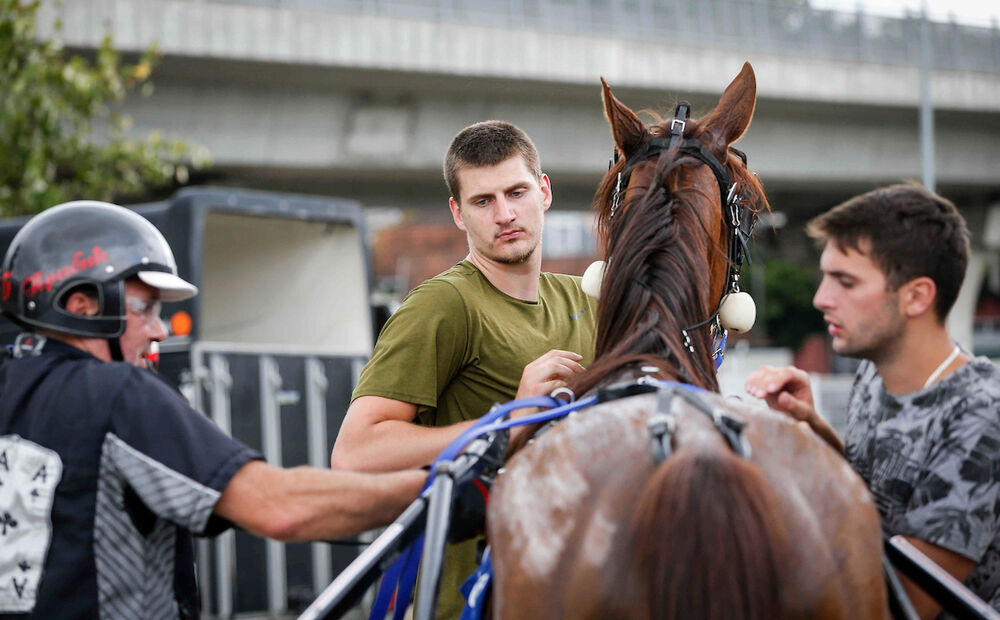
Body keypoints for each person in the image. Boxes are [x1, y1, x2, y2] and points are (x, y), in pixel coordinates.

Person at [0, 201, 426, 619]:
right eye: (145, 308)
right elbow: (278, 507)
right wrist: (433, 489)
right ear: (83, 306)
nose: (160, 329)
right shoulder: (119, 392)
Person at [330, 120, 597, 617]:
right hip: (472, 601)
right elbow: (354, 453)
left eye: (516, 192)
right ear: (458, 213)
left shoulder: (585, 298)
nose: (504, 214)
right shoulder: (443, 305)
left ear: (544, 191)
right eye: (482, 201)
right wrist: (507, 419)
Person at [744, 183, 1000, 619]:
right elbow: (880, 501)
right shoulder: (874, 372)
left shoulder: (981, 416)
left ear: (916, 296)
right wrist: (813, 427)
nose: (821, 298)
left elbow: (902, 601)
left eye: (845, 281)